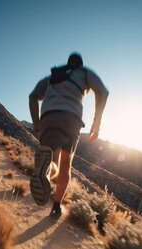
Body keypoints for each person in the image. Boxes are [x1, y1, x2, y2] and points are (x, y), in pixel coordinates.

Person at [29, 52, 109, 218]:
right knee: (66, 164)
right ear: (79, 64)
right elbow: (103, 91)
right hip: (71, 118)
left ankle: (44, 172)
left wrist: (37, 124)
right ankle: (56, 206)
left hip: (48, 117)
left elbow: (33, 96)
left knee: (51, 156)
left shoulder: (53, 75)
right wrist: (97, 122)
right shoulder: (84, 72)